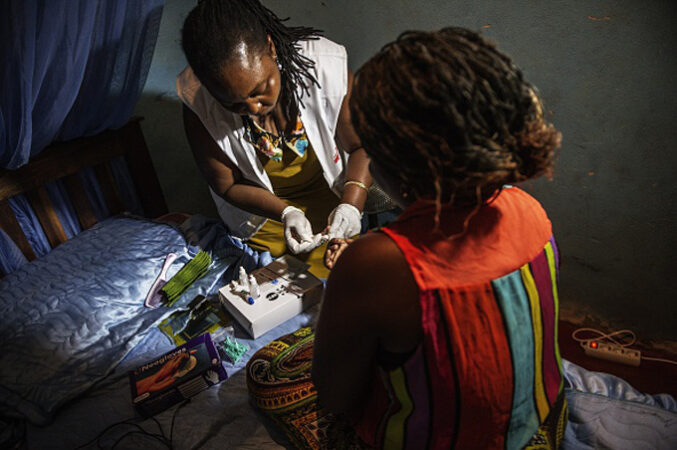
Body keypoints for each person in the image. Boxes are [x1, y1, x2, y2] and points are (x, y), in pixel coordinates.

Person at [247, 27, 567, 449]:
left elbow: (337, 397)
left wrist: (353, 284)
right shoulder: (530, 210)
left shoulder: (375, 267)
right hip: (542, 420)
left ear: (396, 168)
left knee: (268, 370)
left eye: (361, 152)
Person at [177, 0, 371, 278]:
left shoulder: (325, 67)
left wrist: (351, 205)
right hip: (263, 217)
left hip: (333, 200)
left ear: (270, 47)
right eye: (234, 104)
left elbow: (360, 146)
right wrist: (286, 212)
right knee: (281, 292)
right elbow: (228, 186)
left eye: (260, 89)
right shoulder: (198, 104)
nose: (255, 108)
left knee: (352, 277)